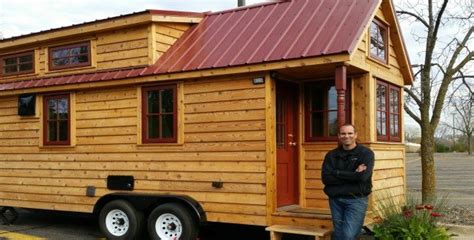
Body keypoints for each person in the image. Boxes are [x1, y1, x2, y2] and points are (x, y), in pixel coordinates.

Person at [321, 124, 374, 240]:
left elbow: (362, 177)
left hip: (356, 200)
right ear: (339, 136)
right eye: (343, 133)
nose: (346, 136)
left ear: (355, 135)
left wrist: (337, 173)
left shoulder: (366, 154)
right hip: (336, 200)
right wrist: (353, 174)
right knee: (338, 235)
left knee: (348, 235)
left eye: (350, 133)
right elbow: (326, 178)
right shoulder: (331, 155)